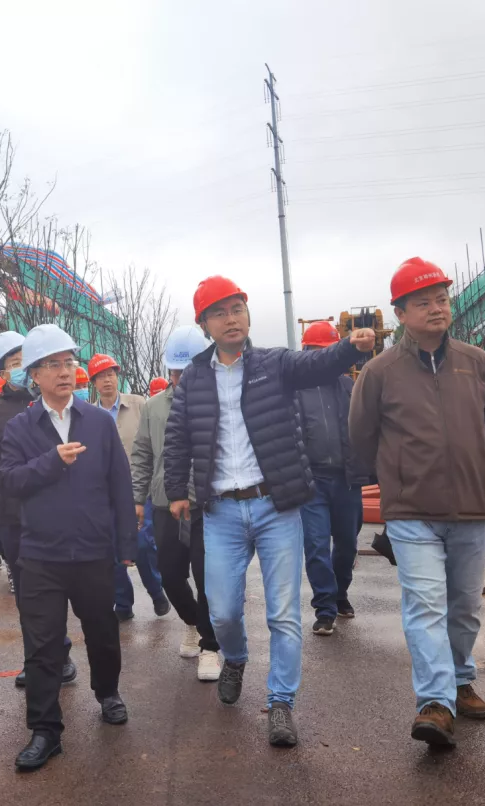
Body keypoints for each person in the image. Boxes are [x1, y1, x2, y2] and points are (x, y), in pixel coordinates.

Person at [164, 276, 377, 747]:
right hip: (221, 512)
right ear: (204, 324)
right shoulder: (194, 378)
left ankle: (281, 702)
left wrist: (349, 347)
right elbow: (177, 436)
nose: (231, 318)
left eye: (237, 308)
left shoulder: (274, 364)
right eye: (219, 312)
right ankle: (236, 658)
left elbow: (318, 363)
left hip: (275, 507)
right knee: (222, 612)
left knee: (283, 613)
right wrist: (176, 490)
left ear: (247, 313)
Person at [349, 258, 485, 748]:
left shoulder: (476, 362)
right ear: (400, 314)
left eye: (441, 299)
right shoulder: (380, 372)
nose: (436, 308)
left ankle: (460, 679)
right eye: (423, 302)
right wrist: (397, 478)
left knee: (465, 607)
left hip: (472, 506)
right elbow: (362, 435)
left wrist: (473, 462)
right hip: (412, 511)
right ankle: (435, 702)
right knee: (426, 604)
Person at [0, 324, 136, 771]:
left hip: (93, 551)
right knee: (42, 646)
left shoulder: (98, 421)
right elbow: (10, 482)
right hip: (41, 555)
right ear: (34, 375)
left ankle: (108, 693)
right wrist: (51, 462)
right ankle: (45, 730)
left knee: (102, 631)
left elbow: (119, 484)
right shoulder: (21, 428)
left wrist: (126, 543)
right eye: (53, 364)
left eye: (68, 362)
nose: (64, 371)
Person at [0, 331, 77, 688]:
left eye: (23, 360)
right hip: (12, 521)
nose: (20, 367)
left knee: (58, 589)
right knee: (28, 597)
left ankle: (60, 651)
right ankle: (39, 657)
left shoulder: (50, 406)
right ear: (1, 372)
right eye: (13, 363)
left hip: (51, 514)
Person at [131, 326, 221, 682]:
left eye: (186, 371)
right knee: (170, 574)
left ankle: (210, 646)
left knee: (206, 576)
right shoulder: (153, 407)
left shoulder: (217, 400)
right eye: (175, 371)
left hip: (207, 506)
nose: (179, 377)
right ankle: (193, 623)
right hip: (165, 504)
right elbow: (142, 454)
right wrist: (137, 499)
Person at [296, 321, 370, 637]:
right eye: (316, 351)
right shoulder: (295, 391)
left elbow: (368, 428)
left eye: (327, 351)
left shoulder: (349, 387)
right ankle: (324, 609)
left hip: (347, 479)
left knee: (347, 544)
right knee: (316, 545)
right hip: (312, 482)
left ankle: (340, 593)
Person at [88, 353, 169, 621]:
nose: (107, 380)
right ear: (94, 382)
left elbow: (153, 442)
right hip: (106, 494)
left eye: (111, 374)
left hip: (139, 490)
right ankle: (123, 603)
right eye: (101, 376)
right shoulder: (89, 415)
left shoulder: (138, 404)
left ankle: (157, 592)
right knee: (112, 551)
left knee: (143, 545)